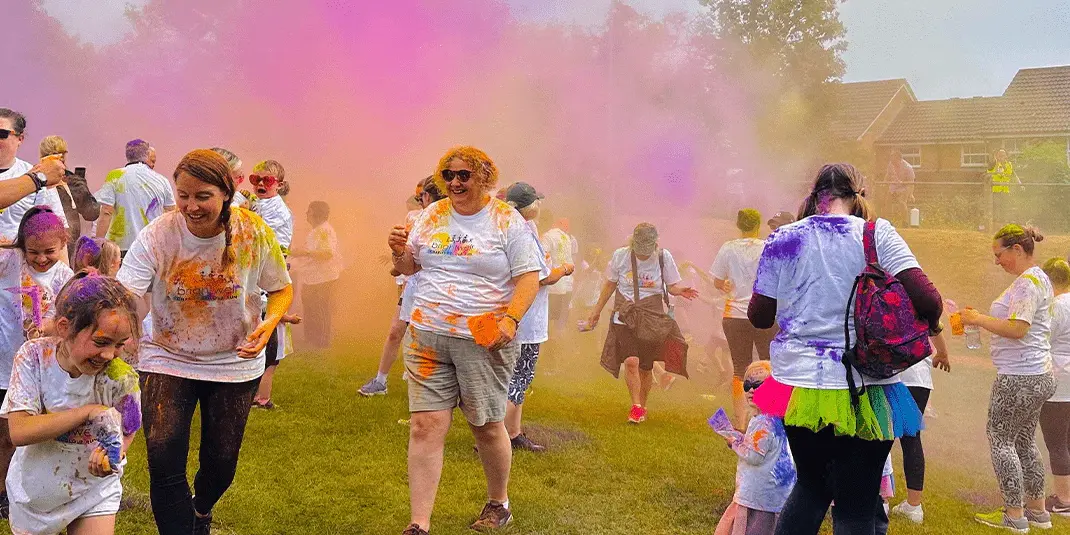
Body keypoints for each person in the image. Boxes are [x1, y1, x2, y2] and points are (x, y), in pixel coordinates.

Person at [747, 163, 943, 535]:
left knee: (811, 488)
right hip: (866, 384)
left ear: (815, 195)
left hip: (801, 383)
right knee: (857, 504)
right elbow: (929, 300)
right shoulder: (876, 233)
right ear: (858, 195)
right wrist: (929, 324)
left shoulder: (783, 238)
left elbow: (759, 316)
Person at [116, 149, 292, 535]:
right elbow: (129, 293)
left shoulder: (252, 232)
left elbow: (280, 288)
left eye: (202, 196)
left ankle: (201, 510)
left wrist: (269, 324)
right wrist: (117, 320)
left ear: (226, 193)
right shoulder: (158, 234)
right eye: (183, 195)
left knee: (221, 464)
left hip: (234, 360)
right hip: (166, 355)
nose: (191, 206)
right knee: (163, 460)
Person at [389, 146, 541, 535]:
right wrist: (398, 252)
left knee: (486, 425)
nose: (455, 183)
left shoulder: (506, 220)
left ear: (484, 178)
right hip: (427, 335)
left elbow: (529, 277)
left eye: (463, 175)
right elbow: (410, 266)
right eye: (448, 175)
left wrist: (511, 320)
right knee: (424, 425)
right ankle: (419, 523)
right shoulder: (432, 215)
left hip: (483, 339)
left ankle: (498, 503)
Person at [2, 273, 141, 535]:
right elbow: (19, 431)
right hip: (36, 491)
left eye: (119, 345)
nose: (109, 354)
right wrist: (87, 412)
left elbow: (129, 428)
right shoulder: (33, 358)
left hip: (93, 489)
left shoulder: (122, 377)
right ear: (65, 327)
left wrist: (114, 454)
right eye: (101, 342)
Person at [959, 225, 1056, 531]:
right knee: (1025, 441)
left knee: (1001, 440)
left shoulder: (1027, 283)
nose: (997, 261)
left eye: (999, 254)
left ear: (1017, 249)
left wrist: (978, 319)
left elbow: (1018, 328)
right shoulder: (1039, 277)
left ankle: (1014, 516)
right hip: (1038, 373)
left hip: (1019, 376)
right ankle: (1038, 511)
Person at [0, 206, 76, 517]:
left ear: (63, 244)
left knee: (28, 436)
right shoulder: (10, 261)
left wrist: (45, 327)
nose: (41, 258)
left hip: (40, 370)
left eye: (49, 252)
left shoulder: (64, 277)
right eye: (33, 252)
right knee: (3, 435)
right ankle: (2, 492)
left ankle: (26, 490)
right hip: (4, 361)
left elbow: (66, 317)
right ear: (22, 246)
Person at [586, 223, 698, 425]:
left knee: (646, 367)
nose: (643, 254)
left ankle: (643, 406)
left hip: (652, 318)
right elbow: (610, 285)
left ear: (655, 244)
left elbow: (671, 286)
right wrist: (596, 311)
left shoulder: (664, 257)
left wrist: (680, 291)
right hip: (624, 316)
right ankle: (636, 406)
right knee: (631, 361)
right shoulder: (620, 256)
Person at [689, 209, 774, 430]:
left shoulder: (728, 248)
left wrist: (725, 284)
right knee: (768, 364)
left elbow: (717, 281)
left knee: (740, 368)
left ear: (739, 226)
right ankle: (766, 420)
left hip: (735, 315)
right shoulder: (768, 247)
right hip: (764, 313)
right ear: (758, 226)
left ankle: (740, 423)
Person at [359, 178, 444, 396]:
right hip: (413, 285)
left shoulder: (450, 222)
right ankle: (380, 381)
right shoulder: (415, 219)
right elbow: (407, 257)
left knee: (427, 340)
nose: (419, 201)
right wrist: (397, 262)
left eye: (421, 196)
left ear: (427, 196)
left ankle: (427, 389)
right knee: (395, 332)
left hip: (436, 290)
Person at [504, 182, 572, 453]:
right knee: (518, 377)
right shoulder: (522, 234)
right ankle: (496, 437)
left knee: (518, 378)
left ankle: (512, 433)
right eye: (537, 201)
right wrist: (565, 268)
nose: (540, 206)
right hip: (525, 318)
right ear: (530, 206)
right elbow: (542, 277)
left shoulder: (514, 228)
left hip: (517, 315)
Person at [714, 360, 796, 535]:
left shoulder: (762, 422)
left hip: (758, 496)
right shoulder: (777, 419)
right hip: (777, 493)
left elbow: (754, 456)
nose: (751, 390)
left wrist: (734, 442)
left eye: (759, 385)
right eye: (747, 384)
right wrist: (743, 438)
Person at [889, 335, 951, 525]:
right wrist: (943, 353)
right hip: (918, 376)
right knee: (911, 438)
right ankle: (914, 506)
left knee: (882, 436)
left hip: (891, 372)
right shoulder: (925, 311)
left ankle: (880, 499)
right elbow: (935, 326)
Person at [249, 160, 294, 410]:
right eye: (255, 179)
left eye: (267, 180)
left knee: (269, 343)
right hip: (255, 280)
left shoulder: (278, 211)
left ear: (279, 184)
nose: (260, 184)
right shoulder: (256, 204)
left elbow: (271, 247)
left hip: (268, 282)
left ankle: (261, 398)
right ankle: (254, 395)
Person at [95, 139, 176, 256]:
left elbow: (106, 212)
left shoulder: (115, 176)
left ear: (127, 156)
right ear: (147, 155)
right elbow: (171, 214)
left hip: (120, 246)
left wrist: (98, 243)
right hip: (151, 246)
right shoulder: (162, 180)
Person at [0, 108, 69, 242]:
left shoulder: (36, 172)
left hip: (19, 254)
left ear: (20, 139)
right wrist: (38, 179)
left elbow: (56, 229)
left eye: (1, 134)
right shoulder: (40, 176)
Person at [290, 201, 343, 350]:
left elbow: (327, 253)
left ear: (316, 214)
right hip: (312, 278)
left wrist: (305, 252)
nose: (306, 214)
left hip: (324, 278)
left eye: (309, 211)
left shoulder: (324, 231)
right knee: (310, 309)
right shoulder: (316, 231)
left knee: (321, 310)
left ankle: (321, 343)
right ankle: (311, 340)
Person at [1040, 257, 1070, 518]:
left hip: (1059, 380)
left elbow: (1041, 338)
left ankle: (1064, 500)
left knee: (1057, 442)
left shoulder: (1057, 306)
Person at [38, 135, 101, 257]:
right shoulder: (72, 181)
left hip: (37, 239)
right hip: (66, 243)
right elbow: (91, 213)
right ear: (63, 155)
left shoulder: (31, 179)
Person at [541, 216, 575, 334]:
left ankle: (550, 341)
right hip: (565, 283)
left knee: (547, 318)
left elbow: (543, 256)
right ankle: (556, 340)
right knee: (557, 318)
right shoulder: (566, 237)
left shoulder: (548, 236)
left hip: (551, 284)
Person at [989, 149, 1023, 228]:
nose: (1001, 157)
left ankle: (1004, 224)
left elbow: (1014, 175)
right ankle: (995, 226)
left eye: (1003, 155)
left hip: (1005, 190)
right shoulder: (994, 164)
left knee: (1004, 208)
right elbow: (991, 165)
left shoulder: (1009, 165)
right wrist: (994, 156)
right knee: (996, 208)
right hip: (996, 190)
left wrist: (1020, 184)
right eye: (1000, 155)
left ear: (1006, 156)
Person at [884, 150, 915, 226]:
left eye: (894, 161)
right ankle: (888, 221)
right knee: (887, 201)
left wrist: (911, 194)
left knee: (902, 202)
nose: (893, 163)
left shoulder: (908, 168)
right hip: (894, 186)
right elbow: (888, 175)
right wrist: (884, 183)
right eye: (892, 161)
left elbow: (911, 182)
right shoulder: (891, 164)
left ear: (899, 159)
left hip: (904, 187)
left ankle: (905, 222)